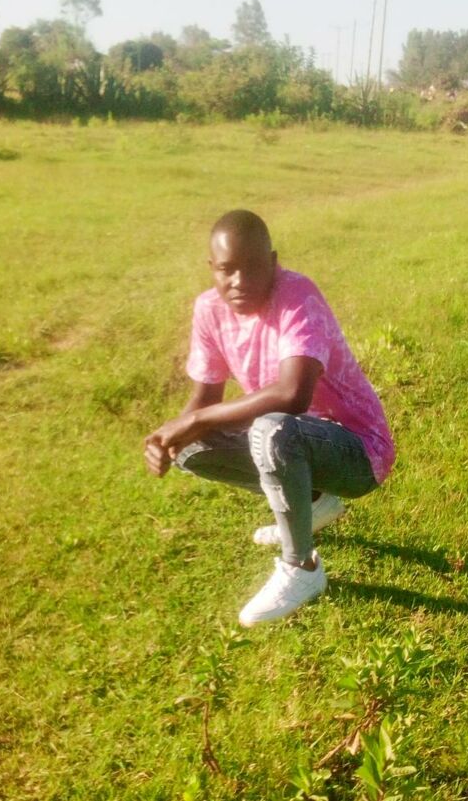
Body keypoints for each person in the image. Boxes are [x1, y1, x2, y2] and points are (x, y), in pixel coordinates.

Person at [144, 209, 394, 627]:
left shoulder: (297, 296)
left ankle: (302, 569)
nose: (239, 280)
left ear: (273, 263)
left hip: (357, 452)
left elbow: (292, 394)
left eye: (253, 266)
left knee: (273, 429)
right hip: (292, 439)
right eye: (227, 269)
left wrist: (195, 421)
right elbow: (205, 398)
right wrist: (169, 438)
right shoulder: (209, 310)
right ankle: (313, 503)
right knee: (190, 445)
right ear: (212, 268)